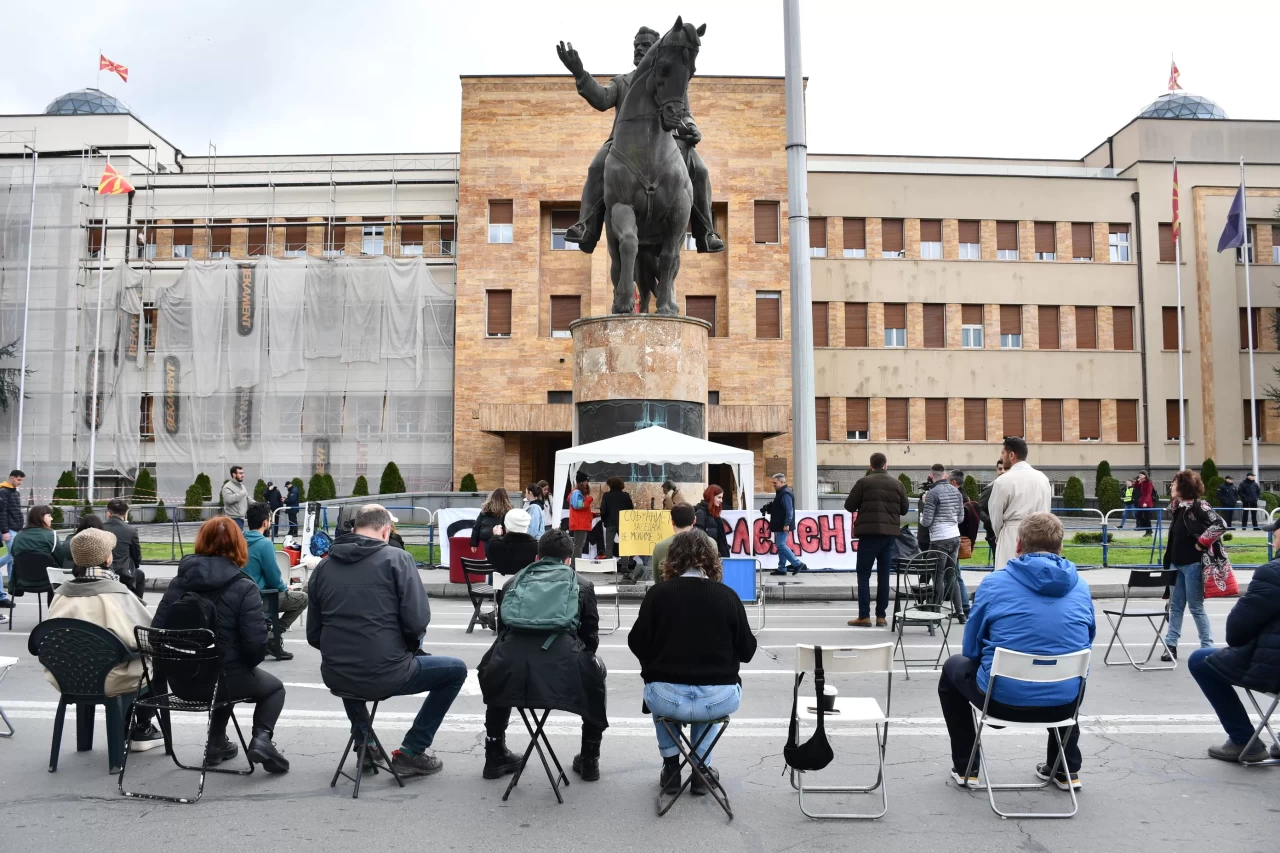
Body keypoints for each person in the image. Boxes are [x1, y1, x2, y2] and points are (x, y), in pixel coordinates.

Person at [306, 504, 467, 778]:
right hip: (387, 672)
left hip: (336, 674)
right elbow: (417, 622)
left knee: (347, 661)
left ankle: (365, 742)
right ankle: (412, 751)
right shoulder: (398, 559)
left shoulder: (323, 567)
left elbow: (314, 635)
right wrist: (408, 649)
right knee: (456, 671)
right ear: (384, 531)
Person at [938, 513, 1094, 790]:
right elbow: (1087, 639)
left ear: (1019, 544)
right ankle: (1064, 768)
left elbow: (971, 649)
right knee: (1070, 668)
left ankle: (966, 767)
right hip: (1063, 701)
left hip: (1001, 700)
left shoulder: (995, 583)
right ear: (1060, 546)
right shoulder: (1081, 586)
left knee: (953, 667)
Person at [558, 29, 724, 255]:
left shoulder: (671, 80)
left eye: (645, 44)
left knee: (701, 170)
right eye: (636, 44)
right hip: (623, 144)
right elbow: (602, 98)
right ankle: (587, 225)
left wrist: (692, 128)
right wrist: (580, 73)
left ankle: (706, 231)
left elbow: (685, 112)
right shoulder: (623, 81)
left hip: (667, 142)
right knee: (597, 166)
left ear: (657, 49)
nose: (639, 48)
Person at [153, 517, 290, 773]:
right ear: (239, 546)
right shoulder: (244, 586)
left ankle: (216, 743)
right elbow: (255, 646)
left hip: (180, 682)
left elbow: (157, 633)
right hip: (222, 681)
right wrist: (243, 663)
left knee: (223, 669)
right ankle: (262, 739)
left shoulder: (178, 583)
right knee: (273, 689)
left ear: (201, 542)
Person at [629, 530, 757, 794]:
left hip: (666, 698)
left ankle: (671, 767)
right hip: (717, 698)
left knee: (659, 687)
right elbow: (747, 651)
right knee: (708, 694)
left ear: (672, 559)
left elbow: (636, 643)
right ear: (711, 559)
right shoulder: (727, 596)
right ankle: (701, 768)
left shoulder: (658, 595)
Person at [479, 529, 607, 781]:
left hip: (511, 670)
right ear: (569, 560)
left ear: (537, 557)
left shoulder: (511, 582)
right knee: (598, 672)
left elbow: (503, 631)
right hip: (563, 671)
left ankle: (494, 753)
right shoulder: (582, 584)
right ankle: (590, 757)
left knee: (494, 663)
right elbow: (590, 638)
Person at [44, 528, 165, 753]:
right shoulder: (118, 594)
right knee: (155, 663)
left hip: (67, 677)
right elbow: (147, 636)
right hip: (112, 678)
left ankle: (100, 737)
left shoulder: (60, 594)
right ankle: (142, 727)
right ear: (108, 558)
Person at [1187, 548, 1280, 762]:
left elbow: (1237, 631)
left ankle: (1243, 740)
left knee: (1199, 660)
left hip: (1274, 671)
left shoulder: (1273, 573)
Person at [1160, 469, 1226, 662]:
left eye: (1174, 483)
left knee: (1196, 607)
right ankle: (1170, 646)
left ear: (1184, 486)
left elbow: (1220, 524)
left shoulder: (1199, 505)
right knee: (1176, 606)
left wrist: (1202, 543)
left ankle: (1207, 647)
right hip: (1175, 563)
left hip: (1192, 564)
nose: (1171, 486)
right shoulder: (1178, 507)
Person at [845, 453, 908, 627]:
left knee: (864, 575)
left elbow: (849, 505)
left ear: (870, 466)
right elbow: (904, 509)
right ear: (886, 465)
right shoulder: (898, 484)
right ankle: (881, 616)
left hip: (868, 534)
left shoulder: (863, 483)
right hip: (889, 536)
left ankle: (864, 616)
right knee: (884, 575)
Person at [242, 501, 307, 661]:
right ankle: (273, 637)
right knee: (303, 598)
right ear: (265, 522)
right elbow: (274, 578)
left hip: (242, 598)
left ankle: (266, 633)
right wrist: (285, 588)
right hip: (261, 598)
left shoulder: (239, 541)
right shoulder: (264, 544)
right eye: (271, 519)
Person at [987, 437, 1053, 570]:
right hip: (1039, 535)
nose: (1001, 457)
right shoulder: (1042, 478)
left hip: (1012, 534)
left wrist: (1001, 534)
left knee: (1009, 577)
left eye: (1003, 453)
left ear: (1011, 455)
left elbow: (995, 515)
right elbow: (1047, 511)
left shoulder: (1003, 481)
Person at [921, 469, 968, 621]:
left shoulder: (933, 493)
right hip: (955, 537)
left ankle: (935, 611)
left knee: (938, 576)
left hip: (939, 538)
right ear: (945, 475)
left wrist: (923, 509)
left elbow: (927, 521)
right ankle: (960, 613)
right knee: (952, 575)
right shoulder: (957, 493)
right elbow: (960, 518)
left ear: (932, 475)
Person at [103, 498, 145, 601]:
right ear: (126, 513)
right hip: (123, 574)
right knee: (140, 575)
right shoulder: (131, 530)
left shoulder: (99, 528)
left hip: (103, 571)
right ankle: (137, 606)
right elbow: (137, 556)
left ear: (108, 513)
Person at [764, 473, 806, 576]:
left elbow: (789, 510)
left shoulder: (785, 493)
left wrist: (786, 523)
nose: (773, 484)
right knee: (781, 545)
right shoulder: (782, 492)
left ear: (782, 482)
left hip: (782, 524)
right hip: (780, 524)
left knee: (781, 545)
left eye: (775, 482)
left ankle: (797, 563)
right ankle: (782, 568)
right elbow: (782, 508)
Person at [650, 503, 699, 584]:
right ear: (694, 520)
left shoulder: (660, 547)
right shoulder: (710, 543)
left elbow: (657, 580)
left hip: (670, 593)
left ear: (672, 522)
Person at [486, 508, 540, 575]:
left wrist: (496, 536)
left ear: (506, 525)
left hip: (502, 584)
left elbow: (491, 560)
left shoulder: (495, 544)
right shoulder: (536, 547)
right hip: (526, 584)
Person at [0, 470, 25, 606]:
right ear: (11, 478)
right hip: (9, 529)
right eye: (19, 480)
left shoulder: (15, 492)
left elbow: (16, 511)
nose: (20, 483)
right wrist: (4, 531)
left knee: (12, 557)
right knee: (13, 555)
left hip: (15, 528)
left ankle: (11, 583)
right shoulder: (3, 492)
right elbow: (2, 513)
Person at [599, 477, 634, 561]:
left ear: (610, 485)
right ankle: (625, 566)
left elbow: (603, 510)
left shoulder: (606, 496)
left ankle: (609, 566)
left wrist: (604, 520)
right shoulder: (626, 495)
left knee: (609, 546)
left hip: (610, 523)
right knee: (624, 545)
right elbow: (631, 509)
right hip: (623, 523)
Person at [694, 485, 730, 559]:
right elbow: (697, 538)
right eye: (719, 497)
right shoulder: (700, 513)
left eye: (722, 497)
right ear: (711, 496)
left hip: (715, 558)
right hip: (707, 559)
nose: (721, 500)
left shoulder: (714, 514)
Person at [978, 459, 1004, 555]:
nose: (1002, 471)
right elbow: (979, 508)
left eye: (1005, 468)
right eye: (1000, 469)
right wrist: (990, 521)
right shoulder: (991, 488)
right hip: (994, 534)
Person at [569, 480, 595, 563]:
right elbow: (578, 506)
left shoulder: (576, 492)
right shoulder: (577, 492)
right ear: (581, 482)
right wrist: (589, 500)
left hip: (580, 522)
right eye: (585, 481)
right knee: (579, 545)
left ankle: (575, 564)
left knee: (579, 545)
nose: (587, 483)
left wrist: (592, 515)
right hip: (580, 523)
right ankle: (575, 565)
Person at [221, 466, 249, 530]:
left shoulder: (242, 486)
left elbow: (247, 499)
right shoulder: (227, 486)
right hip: (233, 519)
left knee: (238, 539)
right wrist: (241, 493)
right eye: (240, 473)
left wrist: (260, 505)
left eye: (243, 473)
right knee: (234, 540)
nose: (243, 475)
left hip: (241, 519)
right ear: (234, 474)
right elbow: (228, 500)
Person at [1134, 471, 1156, 537]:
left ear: (1145, 475)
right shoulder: (1142, 482)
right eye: (1139, 475)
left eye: (1141, 475)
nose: (1140, 476)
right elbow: (1135, 487)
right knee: (1138, 515)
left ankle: (1148, 532)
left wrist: (1146, 502)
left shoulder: (1149, 483)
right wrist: (1137, 481)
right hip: (1141, 501)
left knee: (1147, 517)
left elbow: (1149, 494)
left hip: (1147, 502)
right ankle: (1146, 527)